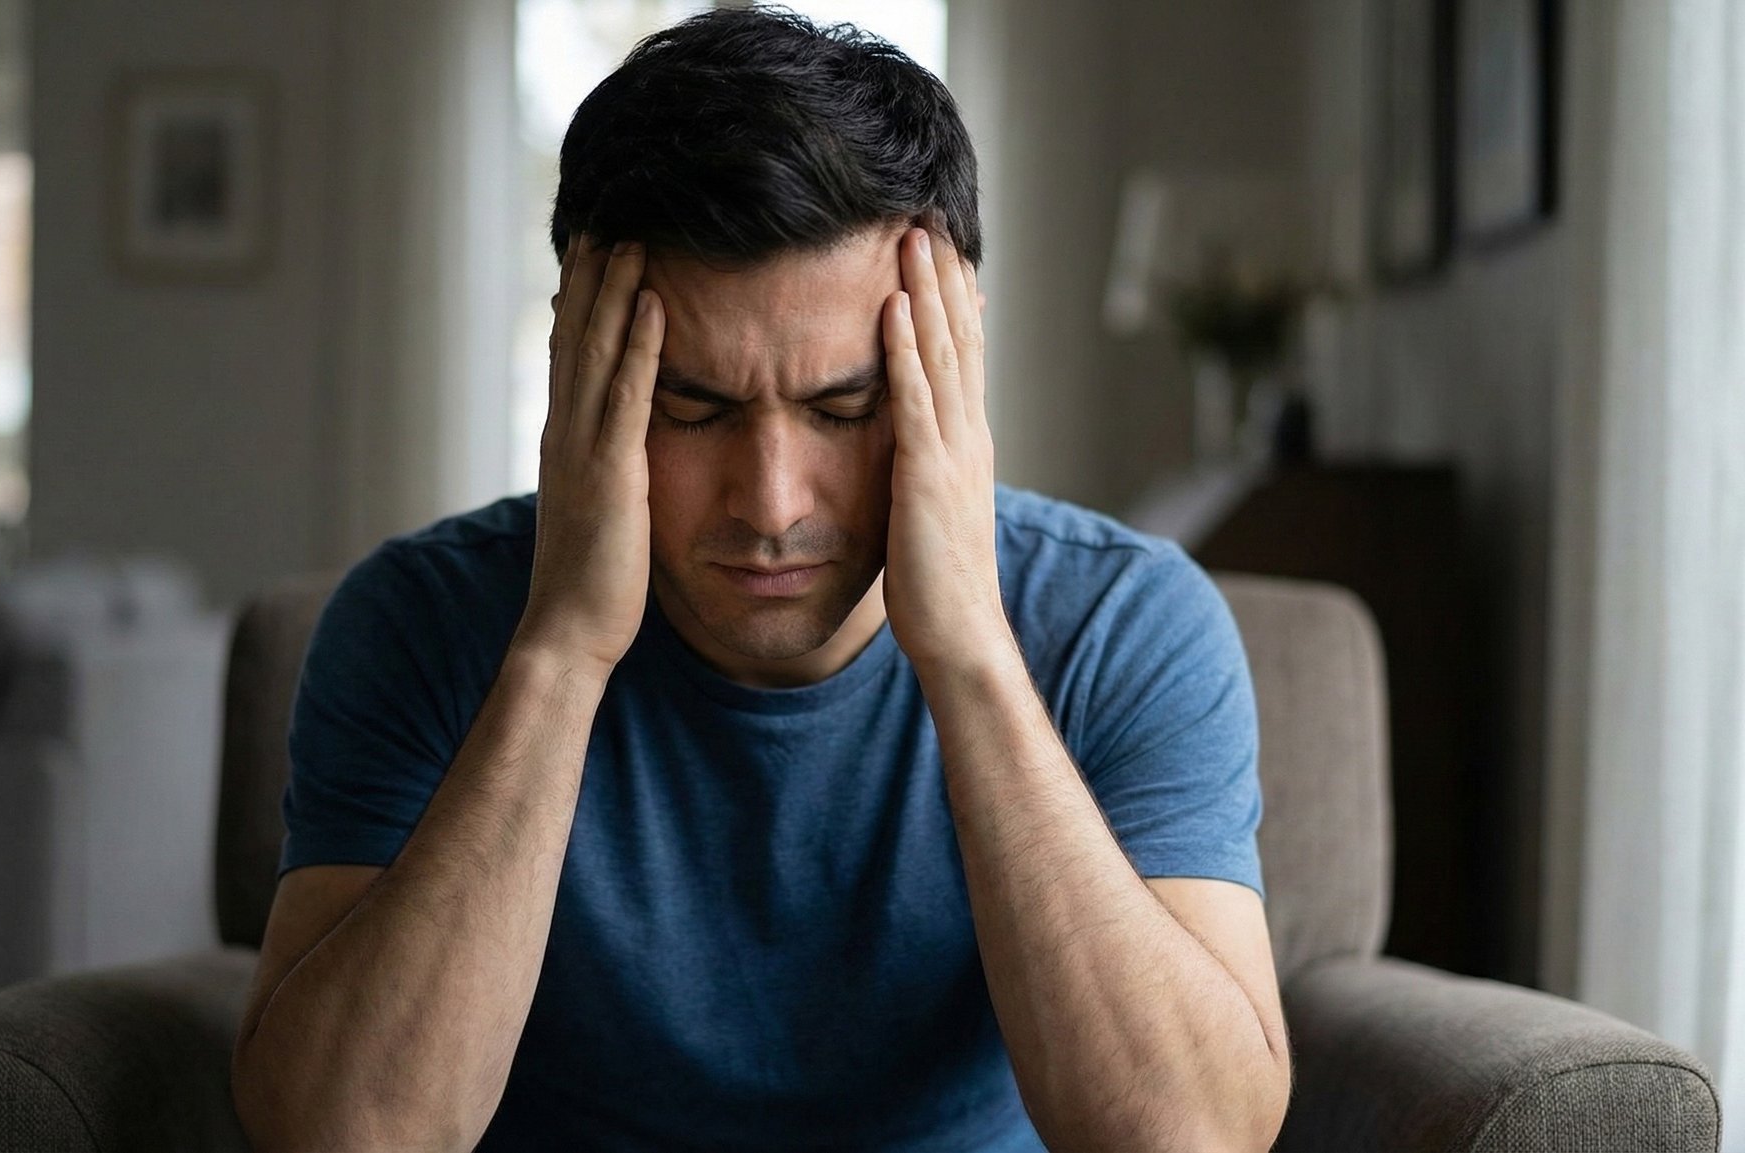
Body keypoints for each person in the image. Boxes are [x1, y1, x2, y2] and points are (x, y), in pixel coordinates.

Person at [231, 9, 1290, 1151]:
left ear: (953, 362)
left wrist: (973, 652)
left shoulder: (1126, 623)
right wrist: (562, 649)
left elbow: (1191, 1135)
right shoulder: (416, 620)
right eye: (694, 408)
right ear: (580, 364)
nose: (772, 504)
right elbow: (344, 1133)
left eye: (845, 407)